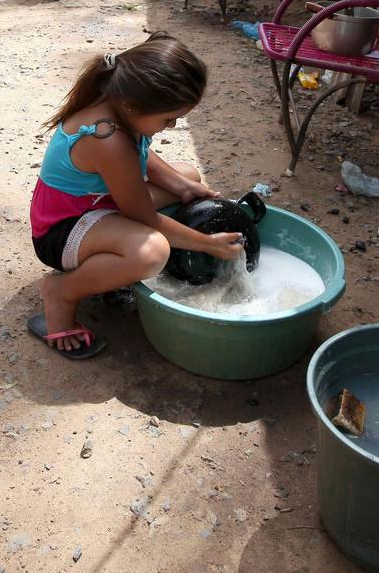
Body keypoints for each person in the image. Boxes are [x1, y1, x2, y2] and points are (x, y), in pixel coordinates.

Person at [28, 32, 244, 357]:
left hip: (92, 204)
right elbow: (142, 215)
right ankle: (61, 293)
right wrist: (207, 244)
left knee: (186, 175)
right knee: (152, 252)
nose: (171, 126)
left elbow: (141, 157)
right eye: (168, 119)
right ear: (134, 105)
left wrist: (185, 188)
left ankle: (112, 260)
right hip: (61, 229)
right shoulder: (106, 138)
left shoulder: (120, 109)